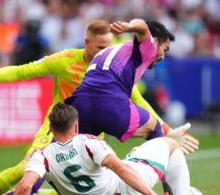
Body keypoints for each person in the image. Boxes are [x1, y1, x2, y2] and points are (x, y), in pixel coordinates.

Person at [0, 20, 196, 195]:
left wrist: (166, 128)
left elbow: (138, 100)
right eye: (100, 46)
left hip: (87, 127)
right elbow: (23, 70)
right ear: (87, 43)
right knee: (27, 169)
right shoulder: (66, 59)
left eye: (108, 45)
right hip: (60, 123)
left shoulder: (111, 64)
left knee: (81, 185)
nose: (105, 50)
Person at [0, 103, 218, 195]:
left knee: (137, 167)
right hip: (128, 190)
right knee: (171, 144)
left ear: (50, 128)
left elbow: (23, 187)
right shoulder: (88, 142)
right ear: (77, 125)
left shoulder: (41, 156)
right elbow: (121, 169)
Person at [66, 19, 197, 149]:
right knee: (153, 128)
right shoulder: (148, 49)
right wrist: (128, 27)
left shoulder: (112, 53)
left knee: (74, 150)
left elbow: (138, 99)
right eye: (165, 49)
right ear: (155, 42)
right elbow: (143, 26)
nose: (163, 56)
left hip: (80, 104)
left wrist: (167, 130)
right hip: (110, 102)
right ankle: (149, 168)